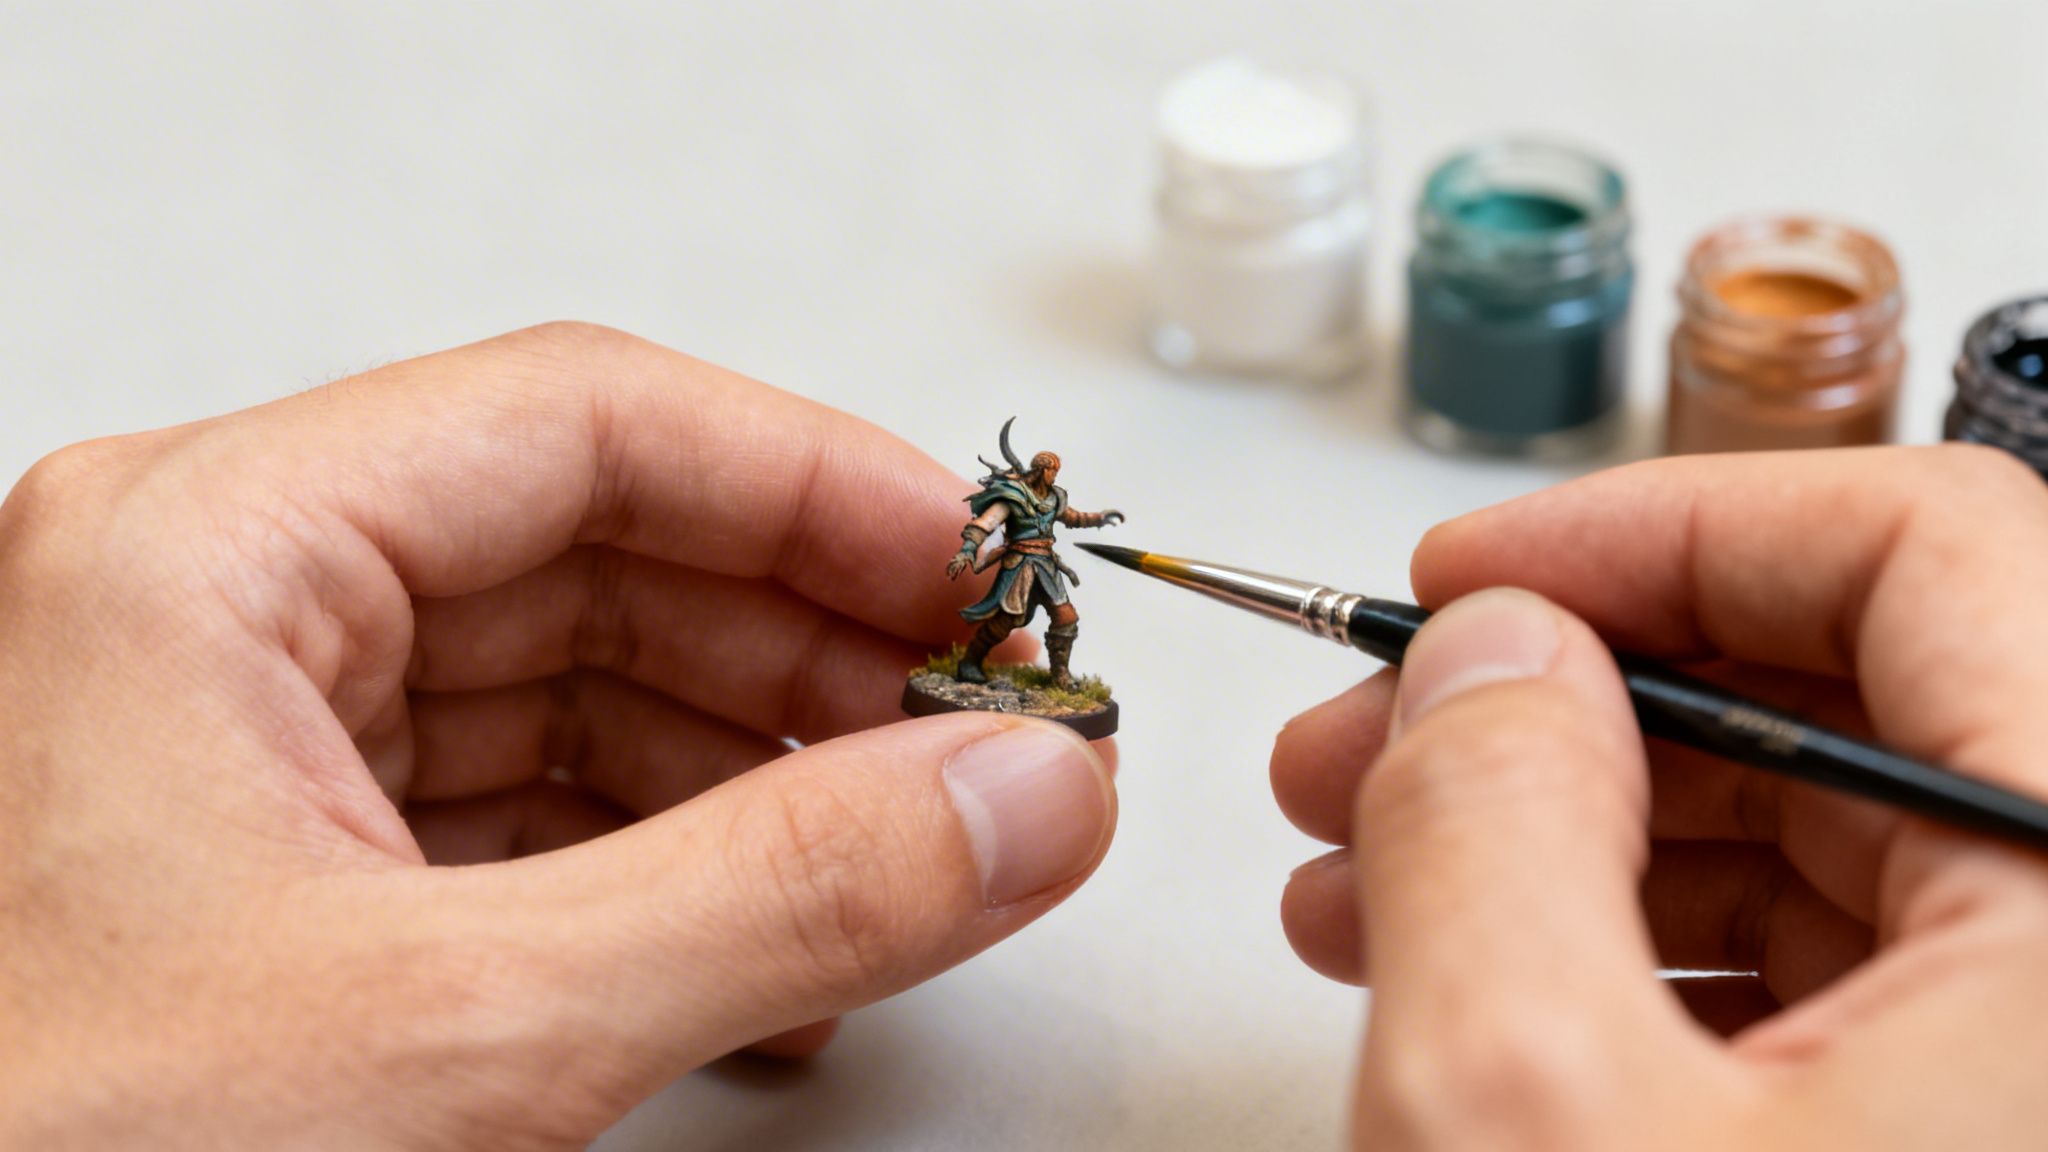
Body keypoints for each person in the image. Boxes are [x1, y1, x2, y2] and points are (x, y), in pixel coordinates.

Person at [2, 323, 2045, 1148]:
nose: (1038, 492)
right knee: (1003, 627)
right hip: (1005, 611)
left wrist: (1053, 552)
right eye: (1036, 487)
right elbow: (1001, 525)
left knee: (1029, 624)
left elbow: (1046, 538)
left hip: (1032, 602)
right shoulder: (1005, 528)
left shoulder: (1043, 534)